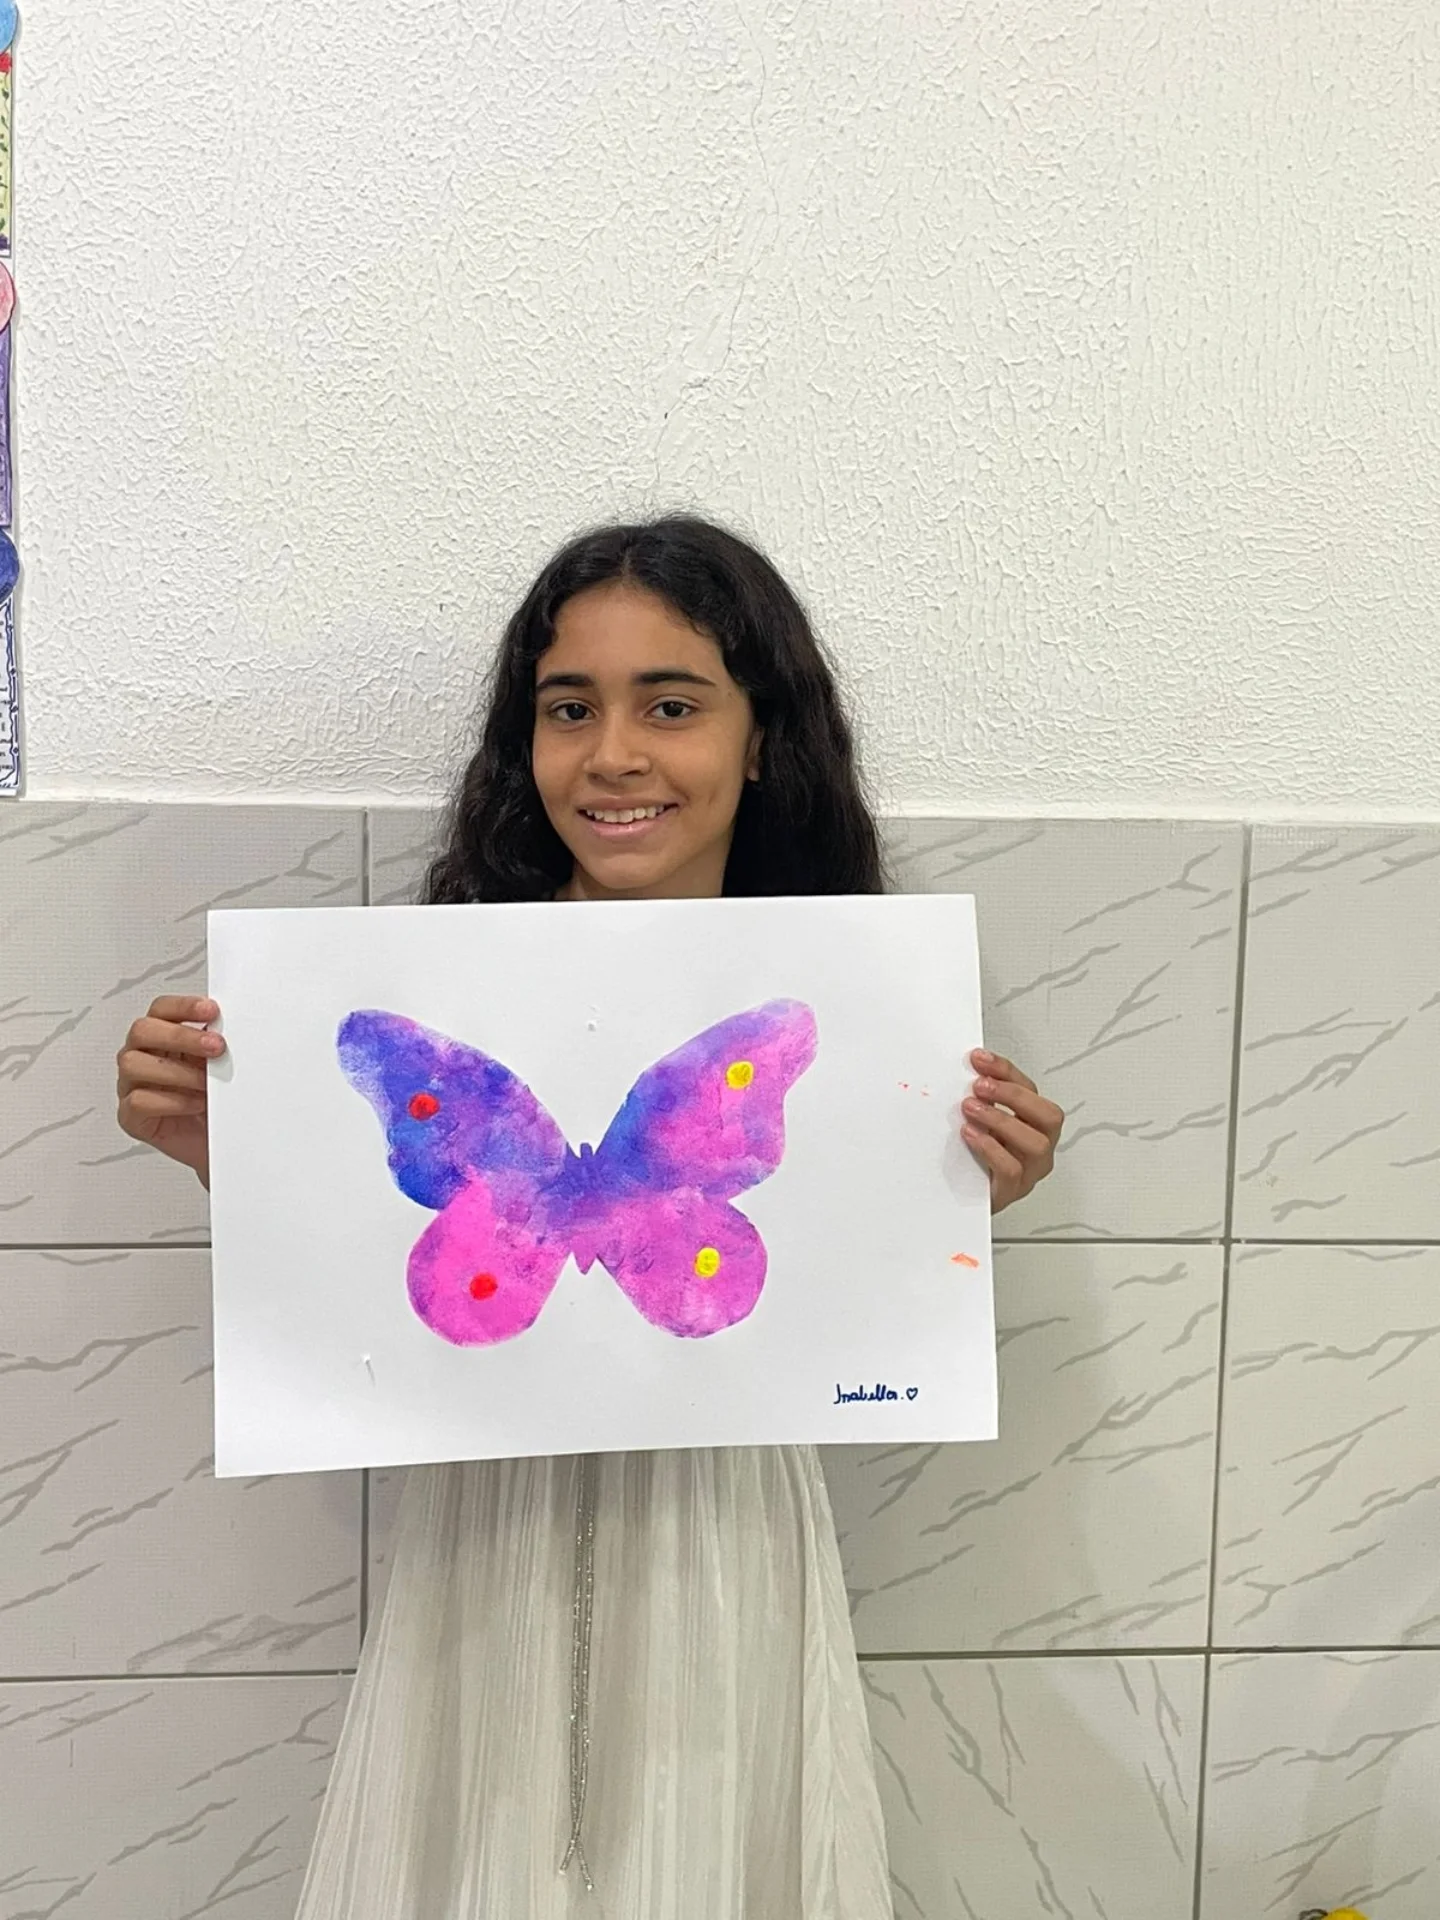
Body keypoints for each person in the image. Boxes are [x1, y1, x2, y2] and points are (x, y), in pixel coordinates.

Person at [116, 515, 1065, 1919]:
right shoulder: (434, 978)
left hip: (722, 1522)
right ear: (527, 742)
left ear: (762, 737)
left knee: (714, 1839)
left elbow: (861, 1283)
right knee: (475, 1839)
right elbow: (350, 1278)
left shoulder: (857, 1009)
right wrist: (234, 1155)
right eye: (569, 709)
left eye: (670, 706)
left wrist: (963, 1186)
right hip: (481, 1529)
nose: (614, 754)